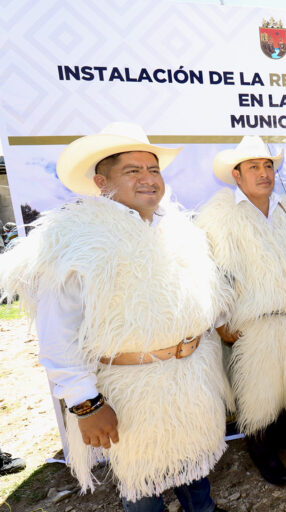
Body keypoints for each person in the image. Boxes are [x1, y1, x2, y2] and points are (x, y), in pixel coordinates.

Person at [0, 122, 232, 511]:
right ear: (101, 182)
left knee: (195, 468)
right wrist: (86, 405)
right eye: (132, 170)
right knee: (141, 485)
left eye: (153, 169)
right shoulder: (76, 243)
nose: (148, 179)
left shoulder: (180, 232)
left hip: (191, 381)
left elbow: (202, 300)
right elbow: (59, 335)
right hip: (128, 391)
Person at [196, 136, 286, 486]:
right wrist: (222, 321)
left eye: (268, 165)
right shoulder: (220, 217)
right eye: (253, 166)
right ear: (236, 175)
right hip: (253, 324)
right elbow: (213, 274)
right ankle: (263, 454)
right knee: (258, 395)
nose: (264, 172)